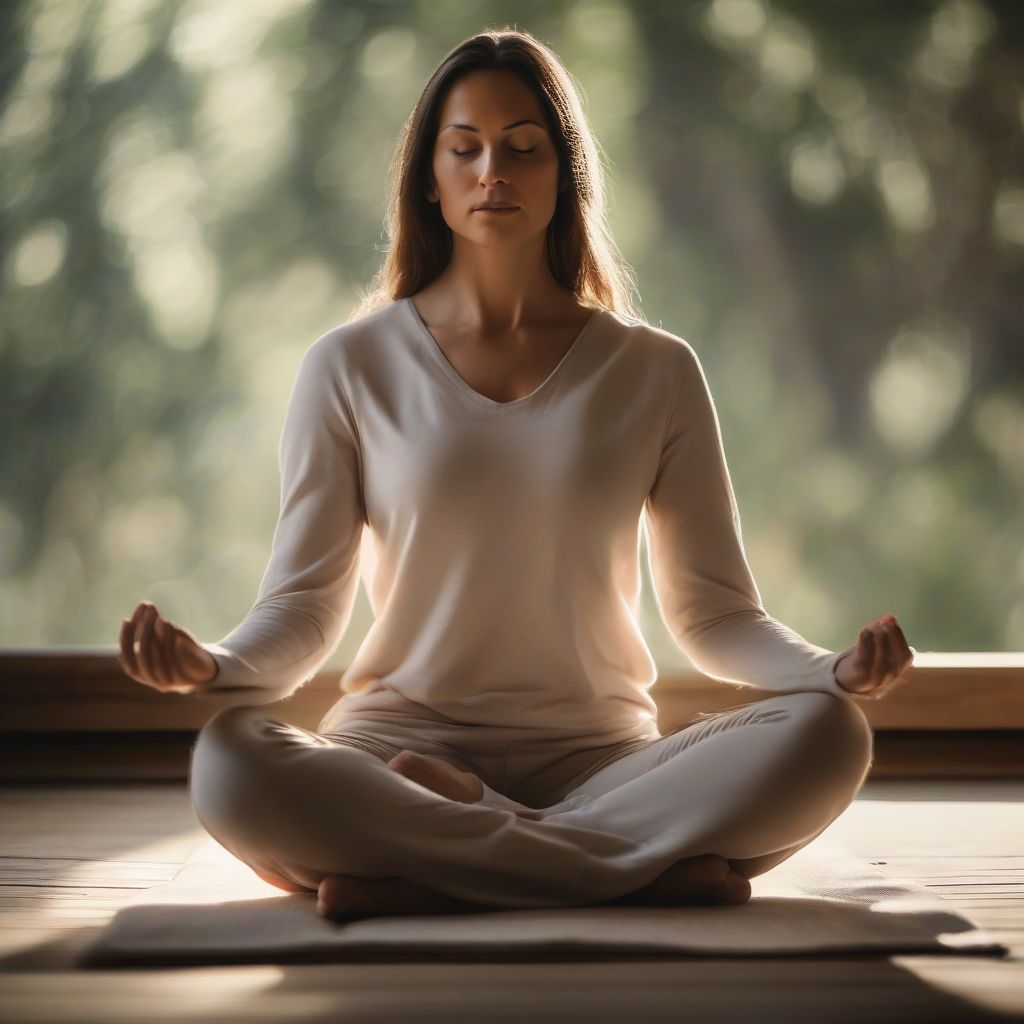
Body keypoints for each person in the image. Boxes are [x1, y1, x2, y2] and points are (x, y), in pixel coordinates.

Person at [117, 29, 914, 921]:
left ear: (563, 171)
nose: (493, 168)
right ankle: (627, 869)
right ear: (430, 175)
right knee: (230, 758)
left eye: (523, 148)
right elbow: (302, 610)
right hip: (396, 753)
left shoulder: (653, 369)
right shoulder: (348, 365)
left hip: (603, 761)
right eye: (466, 148)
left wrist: (828, 671)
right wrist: (214, 667)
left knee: (826, 734)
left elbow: (716, 616)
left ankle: (435, 870)